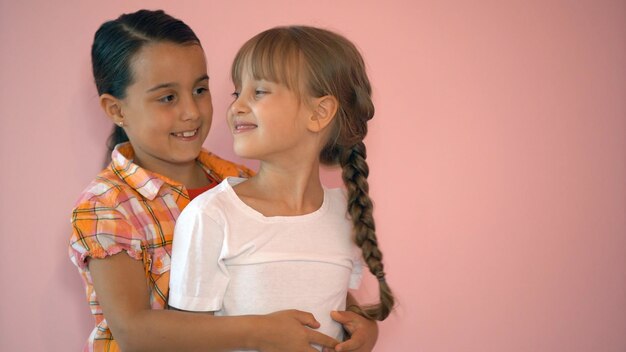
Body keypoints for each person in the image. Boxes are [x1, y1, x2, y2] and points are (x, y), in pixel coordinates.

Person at [69, 10, 378, 352]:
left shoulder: (241, 181)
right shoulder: (106, 207)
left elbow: (302, 278)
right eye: (168, 97)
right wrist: (260, 332)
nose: (192, 111)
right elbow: (133, 331)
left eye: (200, 89)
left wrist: (359, 323)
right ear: (116, 110)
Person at [168, 25, 395, 351]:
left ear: (319, 113)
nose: (237, 107)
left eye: (258, 92)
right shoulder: (212, 216)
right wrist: (260, 332)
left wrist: (365, 329)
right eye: (237, 93)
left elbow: (332, 298)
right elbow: (183, 335)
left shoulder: (346, 214)